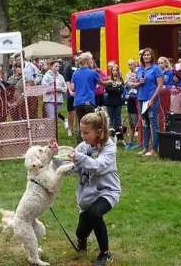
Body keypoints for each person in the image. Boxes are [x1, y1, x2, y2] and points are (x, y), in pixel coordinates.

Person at [64, 111, 121, 266]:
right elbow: (70, 168)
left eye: (86, 133)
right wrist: (56, 156)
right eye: (81, 132)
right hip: (86, 196)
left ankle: (105, 254)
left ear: (99, 131)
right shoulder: (82, 147)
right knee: (81, 232)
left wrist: (78, 157)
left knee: (96, 214)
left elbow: (98, 166)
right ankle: (82, 241)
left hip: (107, 191)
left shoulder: (109, 147)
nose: (83, 136)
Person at [71, 52, 110, 141]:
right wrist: (111, 82)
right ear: (87, 61)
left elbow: (73, 88)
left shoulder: (75, 73)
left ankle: (80, 144)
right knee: (91, 125)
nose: (92, 61)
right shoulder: (93, 73)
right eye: (91, 59)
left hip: (78, 102)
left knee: (81, 123)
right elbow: (102, 83)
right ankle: (91, 143)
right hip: (88, 101)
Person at [133, 48, 163, 156]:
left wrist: (152, 99)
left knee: (153, 124)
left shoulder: (156, 68)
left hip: (152, 100)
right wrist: (138, 83)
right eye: (144, 55)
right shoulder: (140, 69)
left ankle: (154, 149)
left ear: (151, 56)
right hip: (141, 99)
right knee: (145, 124)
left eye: (148, 55)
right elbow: (135, 84)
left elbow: (160, 85)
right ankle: (145, 147)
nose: (146, 56)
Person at [64, 51, 82, 136]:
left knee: (79, 111)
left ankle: (78, 129)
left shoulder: (82, 67)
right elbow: (67, 80)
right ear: (74, 56)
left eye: (80, 55)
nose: (78, 57)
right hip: (71, 92)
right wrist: (70, 91)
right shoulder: (69, 67)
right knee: (70, 112)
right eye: (77, 55)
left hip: (80, 93)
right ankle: (70, 129)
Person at [104, 64, 124, 132]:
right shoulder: (109, 79)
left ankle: (118, 134)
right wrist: (116, 88)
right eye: (113, 70)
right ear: (111, 71)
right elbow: (107, 89)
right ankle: (110, 133)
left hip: (118, 102)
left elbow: (121, 91)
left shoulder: (120, 79)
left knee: (118, 118)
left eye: (116, 70)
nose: (114, 72)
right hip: (110, 102)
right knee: (111, 118)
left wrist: (113, 88)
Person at [123, 63, 139, 150]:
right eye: (130, 77)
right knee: (131, 125)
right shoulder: (127, 87)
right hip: (129, 106)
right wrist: (125, 96)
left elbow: (138, 95)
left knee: (138, 125)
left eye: (133, 77)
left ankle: (141, 143)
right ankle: (130, 142)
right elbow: (124, 94)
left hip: (136, 107)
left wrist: (131, 97)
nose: (131, 78)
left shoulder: (138, 86)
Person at [158, 57, 174, 131]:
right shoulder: (157, 72)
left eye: (161, 63)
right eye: (158, 63)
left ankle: (168, 127)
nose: (160, 65)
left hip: (167, 94)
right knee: (160, 112)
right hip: (159, 94)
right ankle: (161, 128)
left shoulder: (169, 72)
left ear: (165, 63)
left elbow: (171, 84)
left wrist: (164, 86)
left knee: (166, 111)